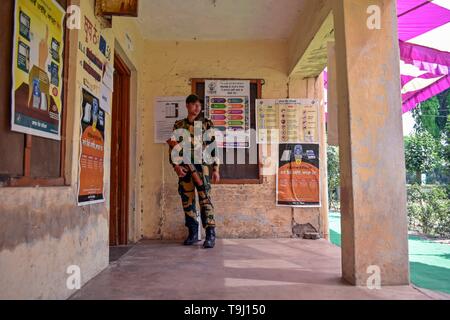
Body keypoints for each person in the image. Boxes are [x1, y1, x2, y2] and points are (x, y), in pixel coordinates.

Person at [168, 94, 220, 249]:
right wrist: (176, 166)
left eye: (199, 105)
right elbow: (173, 148)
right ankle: (192, 233)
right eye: (194, 105)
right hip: (184, 168)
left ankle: (210, 234)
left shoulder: (206, 123)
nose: (197, 108)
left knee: (205, 200)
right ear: (187, 106)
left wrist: (216, 169)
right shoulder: (178, 125)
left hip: (201, 168)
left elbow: (213, 147)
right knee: (187, 201)